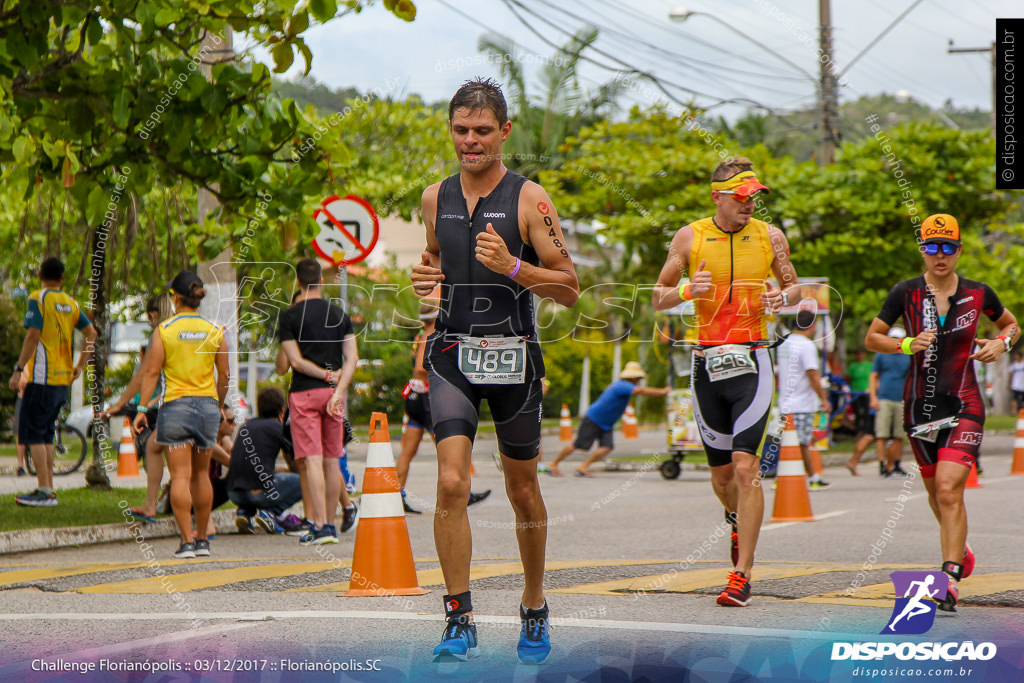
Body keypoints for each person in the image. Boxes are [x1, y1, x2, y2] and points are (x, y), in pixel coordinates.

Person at [410, 78, 579, 663]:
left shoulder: (531, 200)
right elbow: (434, 258)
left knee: (522, 491)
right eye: (461, 130)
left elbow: (570, 288)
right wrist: (425, 278)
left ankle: (534, 605)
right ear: (451, 130)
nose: (470, 141)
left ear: (505, 132)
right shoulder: (434, 197)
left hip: (514, 355)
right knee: (451, 483)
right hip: (453, 352)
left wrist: (513, 268)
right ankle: (459, 617)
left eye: (482, 130)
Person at [652, 157, 800, 608]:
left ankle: (743, 574)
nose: (749, 204)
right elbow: (658, 296)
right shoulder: (689, 237)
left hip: (754, 359)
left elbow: (796, 289)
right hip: (707, 363)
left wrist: (782, 296)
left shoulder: (771, 237)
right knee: (721, 477)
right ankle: (736, 518)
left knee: (745, 467)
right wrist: (685, 293)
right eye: (741, 197)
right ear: (717, 196)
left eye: (754, 196)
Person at [865, 213, 1019, 612]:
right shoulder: (905, 292)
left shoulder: (979, 293)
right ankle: (961, 548)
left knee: (950, 488)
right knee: (937, 494)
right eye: (932, 247)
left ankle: (949, 576)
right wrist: (904, 345)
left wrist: (1001, 343)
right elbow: (872, 338)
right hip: (920, 406)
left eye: (947, 247)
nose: (940, 255)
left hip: (964, 401)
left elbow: (1012, 326)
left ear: (959, 250)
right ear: (923, 250)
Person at [133, 271, 229, 559]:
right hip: (207, 408)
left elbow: (151, 372)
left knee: (180, 476)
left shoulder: (164, 331)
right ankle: (203, 541)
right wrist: (219, 406)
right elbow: (223, 375)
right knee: (201, 475)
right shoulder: (216, 331)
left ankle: (186, 542)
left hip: (175, 408)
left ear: (175, 297)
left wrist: (141, 409)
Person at [278, 258, 358, 545]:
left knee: (312, 460)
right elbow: (352, 358)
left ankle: (321, 525)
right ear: (321, 281)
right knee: (332, 458)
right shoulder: (339, 314)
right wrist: (337, 388)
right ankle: (333, 526)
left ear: (298, 283)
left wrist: (323, 375)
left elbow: (296, 363)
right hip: (333, 396)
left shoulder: (289, 317)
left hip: (303, 395)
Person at [11, 257, 97, 507]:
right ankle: (49, 489)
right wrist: (79, 365)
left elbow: (33, 334)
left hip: (41, 378)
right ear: (62, 279)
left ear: (40, 274)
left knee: (35, 434)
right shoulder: (70, 303)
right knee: (46, 434)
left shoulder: (38, 298)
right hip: (63, 380)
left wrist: (18, 369)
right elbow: (92, 333)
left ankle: (44, 490)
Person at [396, 299, 491, 515]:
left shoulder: (420, 335)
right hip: (428, 397)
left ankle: (395, 496)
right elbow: (421, 366)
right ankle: (462, 494)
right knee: (450, 448)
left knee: (408, 452)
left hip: (415, 396)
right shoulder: (432, 334)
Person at [547, 362, 669, 477]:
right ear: (632, 378)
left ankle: (583, 467)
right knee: (578, 445)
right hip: (594, 419)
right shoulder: (622, 385)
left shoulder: (624, 386)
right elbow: (640, 391)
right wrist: (663, 391)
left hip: (606, 423)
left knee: (607, 447)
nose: (638, 381)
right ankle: (553, 464)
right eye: (637, 378)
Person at [229, 387, 305, 533]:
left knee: (254, 480)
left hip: (233, 493)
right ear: (282, 411)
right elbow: (296, 466)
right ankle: (273, 512)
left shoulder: (246, 426)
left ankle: (244, 512)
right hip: (259, 494)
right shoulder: (278, 428)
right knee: (306, 480)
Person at [777, 310, 832, 489]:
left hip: (785, 402)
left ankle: (795, 476)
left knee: (790, 442)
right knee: (801, 443)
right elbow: (813, 374)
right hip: (801, 403)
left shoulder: (784, 343)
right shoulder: (807, 345)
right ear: (813, 326)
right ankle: (809, 477)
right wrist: (823, 398)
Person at [869, 327, 912, 478]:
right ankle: (882, 465)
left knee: (899, 435)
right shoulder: (881, 354)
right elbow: (874, 375)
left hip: (901, 399)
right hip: (884, 398)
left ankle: (896, 464)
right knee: (882, 434)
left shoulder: (908, 356)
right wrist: (873, 397)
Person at [844, 349, 876, 475]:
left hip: (872, 397)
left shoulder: (870, 365)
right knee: (871, 433)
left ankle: (887, 465)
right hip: (875, 398)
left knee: (874, 434)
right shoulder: (855, 366)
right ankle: (853, 461)